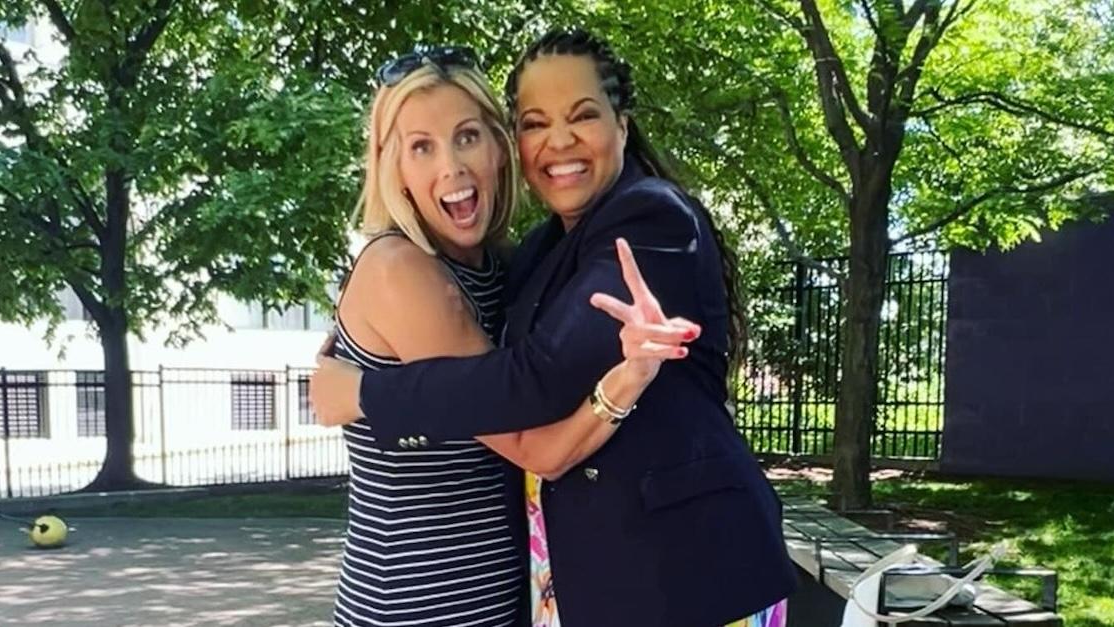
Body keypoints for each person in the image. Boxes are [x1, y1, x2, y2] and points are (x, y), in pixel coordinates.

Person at [314, 30, 797, 626]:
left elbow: (533, 380)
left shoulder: (646, 218)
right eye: (537, 122)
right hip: (499, 594)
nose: (559, 141)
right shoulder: (532, 252)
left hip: (689, 577)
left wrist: (366, 393)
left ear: (622, 125)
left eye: (584, 115)